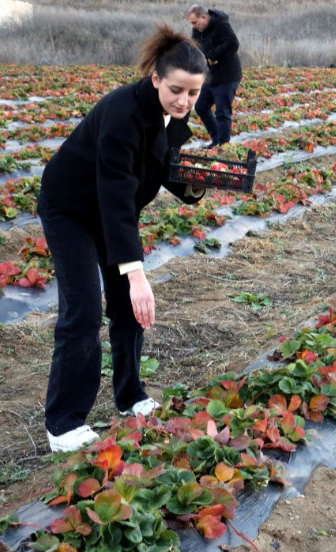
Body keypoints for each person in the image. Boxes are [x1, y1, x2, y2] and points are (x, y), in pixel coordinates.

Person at [37, 24, 209, 453]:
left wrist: (196, 182)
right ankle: (63, 423)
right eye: (176, 90)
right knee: (82, 311)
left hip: (111, 210)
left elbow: (159, 164)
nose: (184, 101)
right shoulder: (121, 115)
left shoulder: (167, 114)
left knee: (129, 312)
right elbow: (115, 195)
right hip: (73, 208)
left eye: (193, 93)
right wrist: (135, 273)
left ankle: (130, 396)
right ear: (155, 79)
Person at [186, 4, 242, 149]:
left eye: (194, 22)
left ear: (203, 17)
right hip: (211, 76)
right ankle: (217, 139)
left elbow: (233, 43)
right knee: (201, 106)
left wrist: (213, 55)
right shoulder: (198, 30)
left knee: (222, 112)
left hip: (227, 75)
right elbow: (196, 47)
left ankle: (223, 147)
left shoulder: (222, 25)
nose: (193, 26)